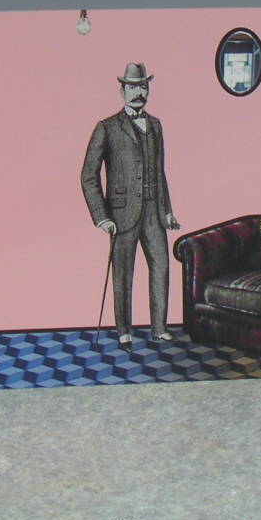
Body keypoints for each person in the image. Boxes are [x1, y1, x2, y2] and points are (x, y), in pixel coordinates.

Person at [81, 62, 181, 352]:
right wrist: (102, 217)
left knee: (161, 268)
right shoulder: (107, 127)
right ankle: (124, 332)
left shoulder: (156, 125)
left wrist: (167, 211)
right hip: (121, 214)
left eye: (143, 87)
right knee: (123, 274)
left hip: (154, 213)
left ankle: (159, 328)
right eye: (133, 87)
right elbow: (88, 175)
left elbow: (160, 172)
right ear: (122, 91)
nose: (139, 93)